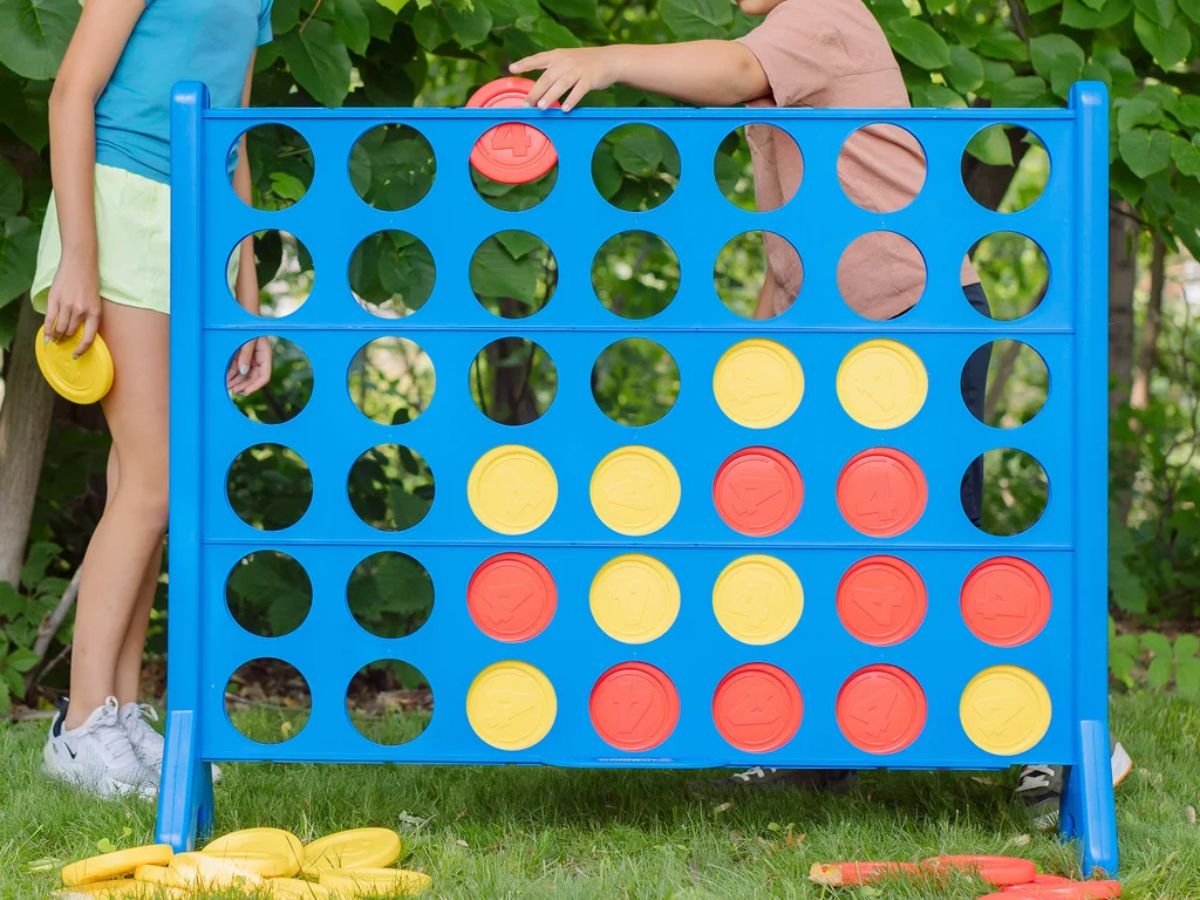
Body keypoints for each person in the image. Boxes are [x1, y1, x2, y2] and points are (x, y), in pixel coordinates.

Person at [510, 0, 1128, 824]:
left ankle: (1065, 737)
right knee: (813, 539)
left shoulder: (822, 14)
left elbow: (733, 69)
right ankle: (817, 747)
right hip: (841, 334)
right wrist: (764, 352)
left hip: (916, 320)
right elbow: (797, 230)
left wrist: (609, 59)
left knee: (936, 544)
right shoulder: (788, 40)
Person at [34, 0, 274, 799]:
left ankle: (121, 711)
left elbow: (234, 134)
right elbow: (71, 93)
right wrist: (79, 254)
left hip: (200, 223)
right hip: (120, 208)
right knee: (155, 481)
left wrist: (246, 285)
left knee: (145, 488)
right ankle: (78, 730)